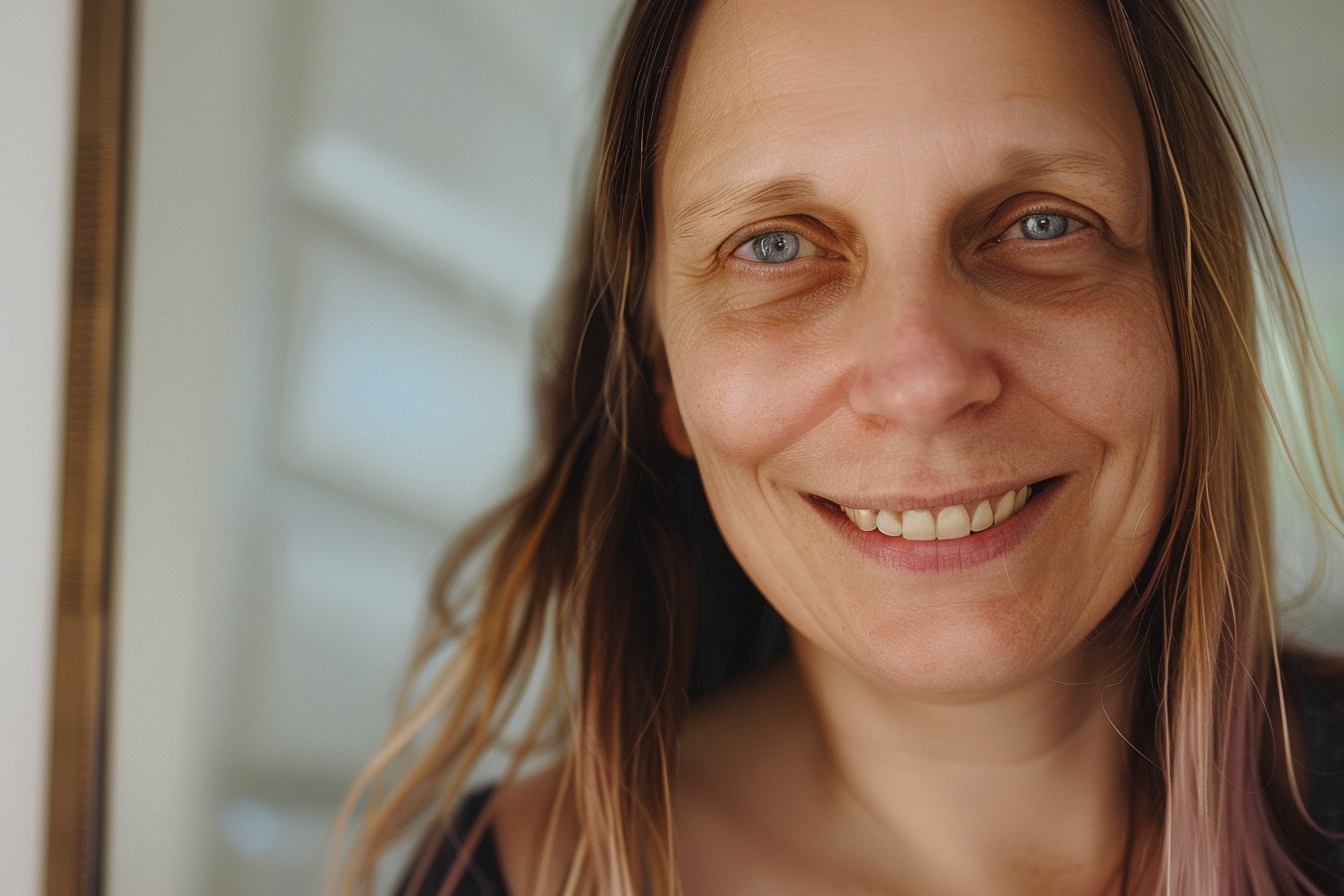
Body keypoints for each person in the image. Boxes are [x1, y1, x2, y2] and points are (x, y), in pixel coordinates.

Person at [329, 0, 1344, 893]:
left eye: (1041, 222)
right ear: (660, 367)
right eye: (776, 244)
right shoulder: (515, 878)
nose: (924, 377)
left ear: (1186, 306)